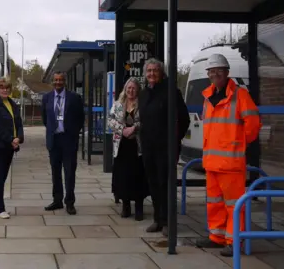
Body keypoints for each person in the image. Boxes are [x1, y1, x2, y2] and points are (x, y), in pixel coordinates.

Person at [194, 54, 261, 257]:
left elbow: (253, 125)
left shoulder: (240, 95)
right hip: (212, 162)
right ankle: (217, 236)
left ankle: (234, 241)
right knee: (214, 203)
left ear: (227, 72)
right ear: (208, 74)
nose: (215, 74)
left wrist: (236, 144)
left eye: (219, 70)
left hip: (231, 161)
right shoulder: (208, 97)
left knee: (234, 205)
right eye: (211, 71)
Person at [138, 58, 190, 236]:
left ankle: (168, 221)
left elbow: (184, 119)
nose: (151, 74)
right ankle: (157, 219)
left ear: (162, 73)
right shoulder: (144, 94)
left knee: (165, 184)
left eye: (155, 70)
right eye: (149, 71)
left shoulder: (171, 92)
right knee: (153, 183)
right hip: (148, 147)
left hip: (165, 147)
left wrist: (174, 140)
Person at [41, 71, 85, 215]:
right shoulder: (46, 98)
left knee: (70, 172)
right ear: (52, 82)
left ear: (64, 82)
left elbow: (80, 118)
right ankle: (57, 200)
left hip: (69, 140)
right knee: (55, 172)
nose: (58, 82)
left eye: (60, 80)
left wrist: (72, 132)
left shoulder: (75, 98)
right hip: (54, 140)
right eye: (56, 80)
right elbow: (45, 118)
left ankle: (70, 202)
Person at [108, 77, 148, 221]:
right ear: (125, 89)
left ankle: (139, 208)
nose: (131, 90)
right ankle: (125, 206)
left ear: (138, 90)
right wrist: (123, 129)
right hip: (121, 146)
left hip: (137, 147)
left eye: (133, 88)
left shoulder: (142, 104)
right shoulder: (118, 104)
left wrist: (134, 128)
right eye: (128, 88)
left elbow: (145, 120)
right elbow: (110, 120)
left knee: (137, 177)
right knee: (123, 177)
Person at [0, 77, 24, 219]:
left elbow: (19, 123)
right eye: (2, 87)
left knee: (2, 178)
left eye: (7, 88)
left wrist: (19, 138)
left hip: (9, 147)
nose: (5, 90)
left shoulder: (12, 104)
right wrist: (11, 139)